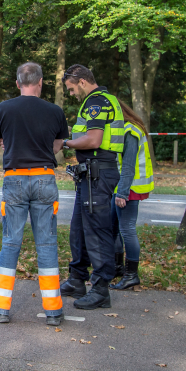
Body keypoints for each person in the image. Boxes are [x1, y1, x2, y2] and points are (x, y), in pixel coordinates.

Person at [0, 62, 69, 326]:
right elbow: (57, 144)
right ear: (40, 82)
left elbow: (0, 142)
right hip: (44, 177)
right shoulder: (55, 111)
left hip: (15, 179)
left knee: (11, 243)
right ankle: (53, 309)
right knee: (46, 244)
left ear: (18, 83)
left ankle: (0, 307)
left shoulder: (4, 108)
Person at [60, 64, 124, 309]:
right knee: (79, 228)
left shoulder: (97, 102)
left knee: (97, 231)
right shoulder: (101, 100)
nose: (71, 93)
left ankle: (100, 289)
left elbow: (94, 139)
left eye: (72, 88)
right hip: (88, 175)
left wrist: (65, 143)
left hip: (98, 174)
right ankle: (77, 278)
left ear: (82, 82)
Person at [110, 101, 154, 290]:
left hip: (129, 187)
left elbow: (128, 165)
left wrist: (122, 192)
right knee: (113, 227)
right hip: (122, 186)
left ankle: (131, 275)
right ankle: (118, 267)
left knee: (126, 229)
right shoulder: (126, 128)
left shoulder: (130, 130)